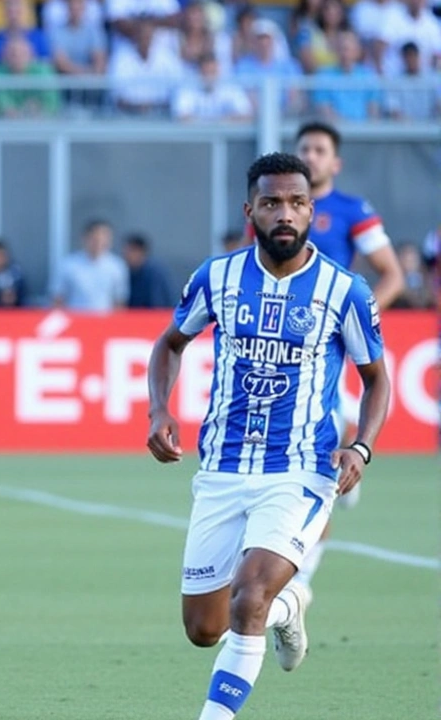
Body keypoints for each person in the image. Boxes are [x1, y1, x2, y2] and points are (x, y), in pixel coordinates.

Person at [147, 153, 390, 720]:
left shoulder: (343, 290)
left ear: (311, 210)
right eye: (273, 203)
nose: (286, 213)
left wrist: (361, 446)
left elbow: (376, 380)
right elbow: (169, 344)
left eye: (298, 203)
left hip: (301, 470)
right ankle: (288, 610)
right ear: (250, 210)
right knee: (204, 628)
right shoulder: (217, 277)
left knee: (248, 597)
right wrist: (160, 408)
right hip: (223, 469)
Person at [246, 121, 405, 595]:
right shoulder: (272, 208)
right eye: (304, 148)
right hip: (283, 341)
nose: (310, 156)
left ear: (334, 162)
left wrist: (355, 319)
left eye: (319, 150)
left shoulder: (352, 210)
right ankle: (347, 460)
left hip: (323, 340)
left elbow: (391, 274)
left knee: (316, 458)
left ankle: (302, 582)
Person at [123, 234, 176, 308]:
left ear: (140, 252)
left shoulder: (155, 273)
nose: (127, 255)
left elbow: (158, 304)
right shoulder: (127, 271)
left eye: (131, 251)